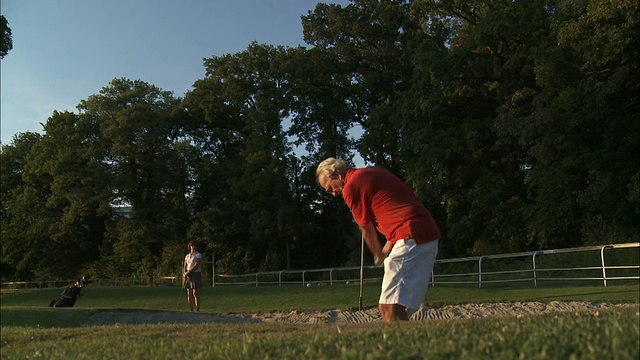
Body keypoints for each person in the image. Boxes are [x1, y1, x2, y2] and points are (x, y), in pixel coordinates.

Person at [316, 157, 440, 322]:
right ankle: (406, 343)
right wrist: (387, 247)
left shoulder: (351, 186)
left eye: (331, 187)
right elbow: (397, 209)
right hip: (421, 235)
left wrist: (377, 255)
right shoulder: (371, 173)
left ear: (338, 175)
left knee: (389, 307)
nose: (333, 193)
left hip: (411, 236)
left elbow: (366, 228)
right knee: (397, 308)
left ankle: (398, 347)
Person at [183, 241, 203, 312]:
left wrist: (190, 271)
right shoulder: (187, 256)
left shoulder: (198, 255)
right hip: (188, 274)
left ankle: (197, 310)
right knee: (189, 293)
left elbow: (196, 264)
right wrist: (185, 273)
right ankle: (191, 310)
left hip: (195, 273)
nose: (193, 247)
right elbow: (185, 265)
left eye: (195, 246)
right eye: (192, 245)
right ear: (190, 246)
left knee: (195, 293)